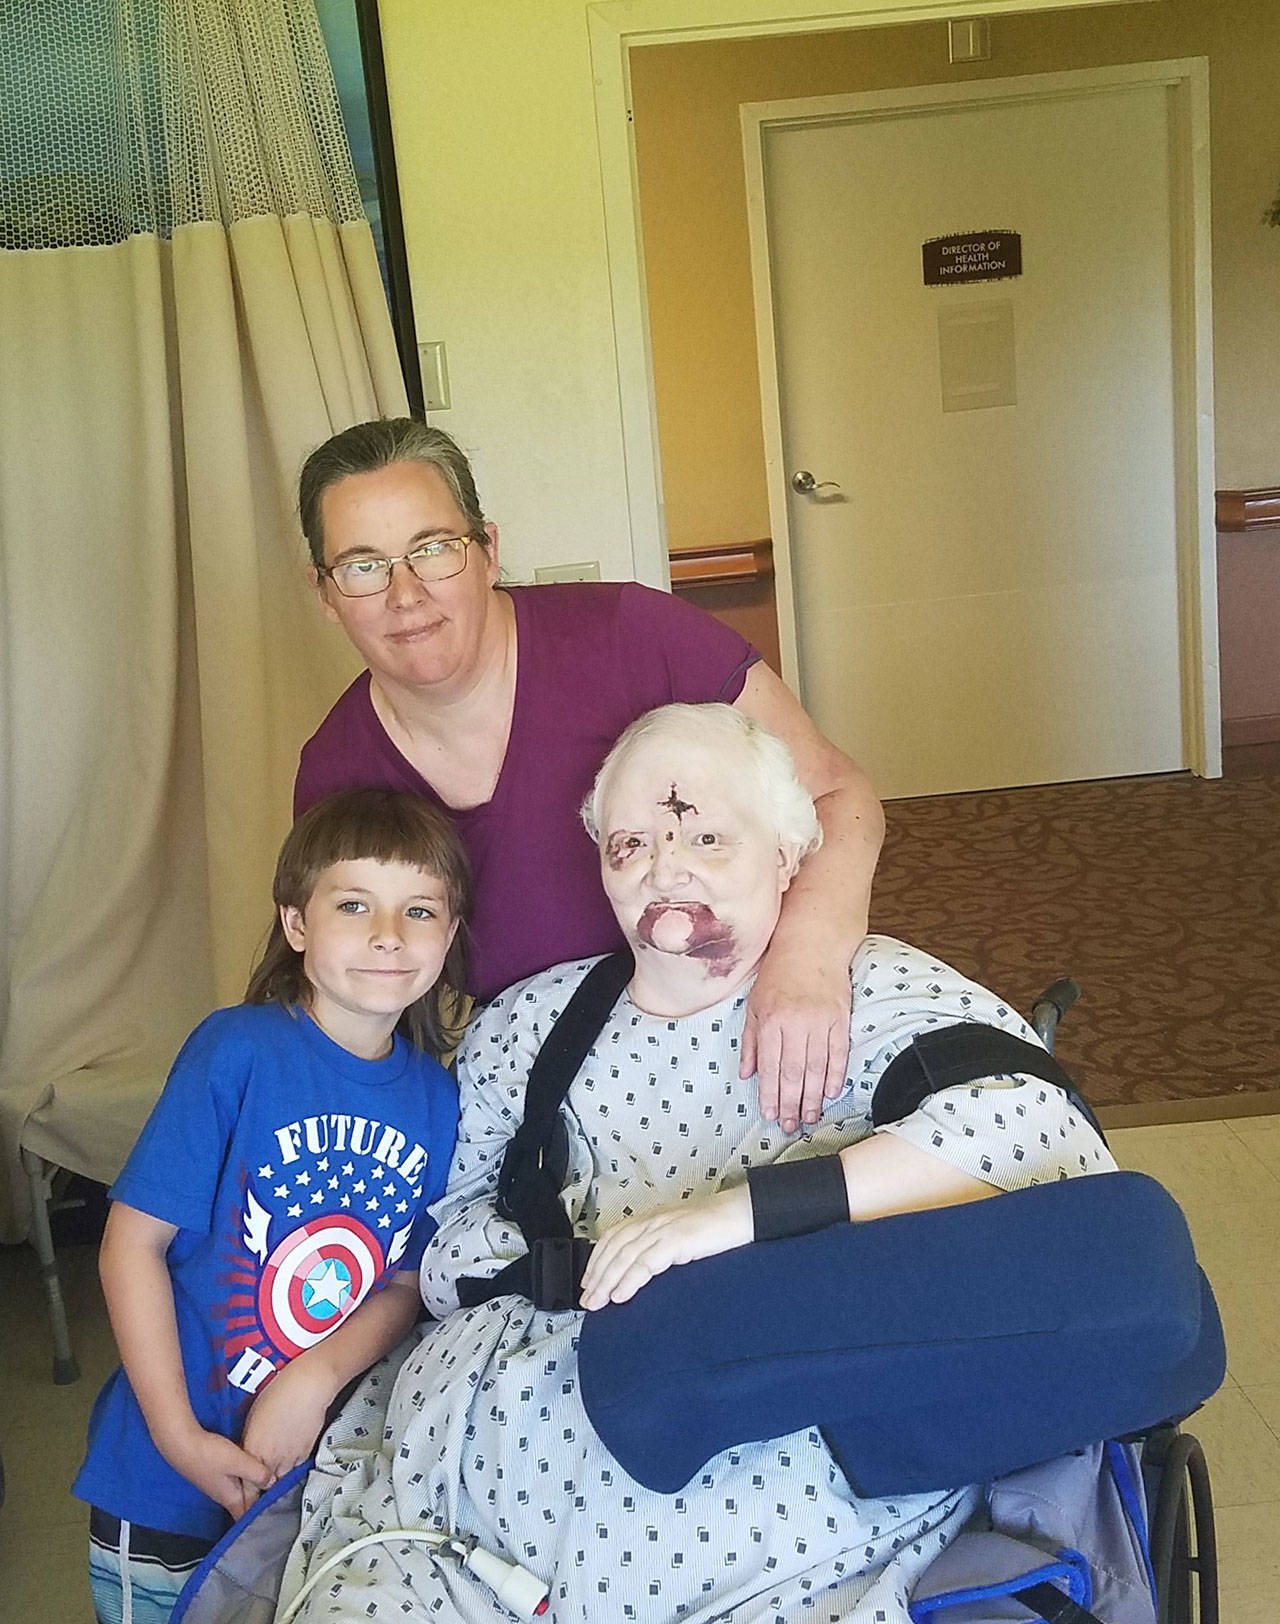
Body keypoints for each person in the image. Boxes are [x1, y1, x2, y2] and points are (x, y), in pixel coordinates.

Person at [278, 705, 1114, 1624]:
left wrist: (732, 1219)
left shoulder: (872, 990)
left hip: (767, 1497)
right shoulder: (528, 1025)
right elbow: (436, 1231)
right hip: (461, 1502)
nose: (665, 867)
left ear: (790, 856)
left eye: (707, 837)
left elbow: (1043, 1131)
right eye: (631, 843)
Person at [292, 417, 884, 1137]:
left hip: (752, 1029)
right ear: (324, 593)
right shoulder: (335, 770)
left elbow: (838, 795)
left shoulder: (634, 637)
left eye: (434, 549)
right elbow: (360, 993)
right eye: (363, 565)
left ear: (488, 550)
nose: (405, 592)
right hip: (556, 1087)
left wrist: (807, 960)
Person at [73, 789, 473, 1624]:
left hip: (313, 1479)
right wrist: (183, 1441)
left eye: (420, 909)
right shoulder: (237, 1049)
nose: (388, 934)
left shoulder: (440, 1100)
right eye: (354, 903)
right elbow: (129, 1248)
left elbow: (402, 1284)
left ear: (451, 933)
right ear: (297, 925)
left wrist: (314, 1378)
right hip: (160, 1480)